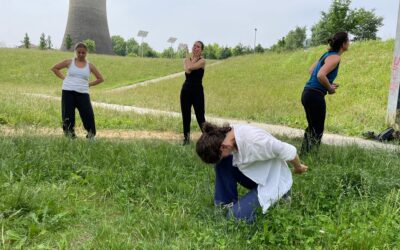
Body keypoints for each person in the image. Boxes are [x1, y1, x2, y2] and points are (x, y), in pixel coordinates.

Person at [196, 122, 308, 223]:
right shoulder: (227, 135)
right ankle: (225, 204)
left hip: (274, 181)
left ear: (223, 147)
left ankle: (281, 198)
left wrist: (298, 167)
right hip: (258, 175)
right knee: (223, 162)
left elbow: (289, 150)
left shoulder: (256, 141)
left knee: (234, 217)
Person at [301, 32, 350, 154]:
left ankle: (304, 153)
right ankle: (311, 155)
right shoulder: (336, 57)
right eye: (348, 41)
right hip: (315, 95)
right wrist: (329, 88)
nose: (349, 43)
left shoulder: (326, 55)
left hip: (307, 93)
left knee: (312, 126)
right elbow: (320, 74)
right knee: (317, 128)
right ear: (343, 44)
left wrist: (326, 83)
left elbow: (311, 70)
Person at [51, 42, 104, 139]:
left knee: (88, 114)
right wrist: (64, 78)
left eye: (83, 53)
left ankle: (91, 135)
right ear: (75, 52)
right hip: (68, 91)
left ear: (86, 53)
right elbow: (55, 68)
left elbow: (100, 78)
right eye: (79, 52)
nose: (81, 54)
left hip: (83, 92)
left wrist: (89, 84)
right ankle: (70, 136)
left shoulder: (90, 66)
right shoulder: (69, 62)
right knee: (68, 114)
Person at [180, 41, 206, 145]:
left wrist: (187, 55)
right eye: (194, 46)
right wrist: (188, 59)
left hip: (197, 92)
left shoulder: (202, 61)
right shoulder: (186, 60)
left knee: (200, 116)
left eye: (198, 47)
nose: (195, 48)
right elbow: (188, 71)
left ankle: (208, 139)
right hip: (186, 91)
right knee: (186, 115)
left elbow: (190, 68)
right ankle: (186, 139)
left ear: (201, 50)